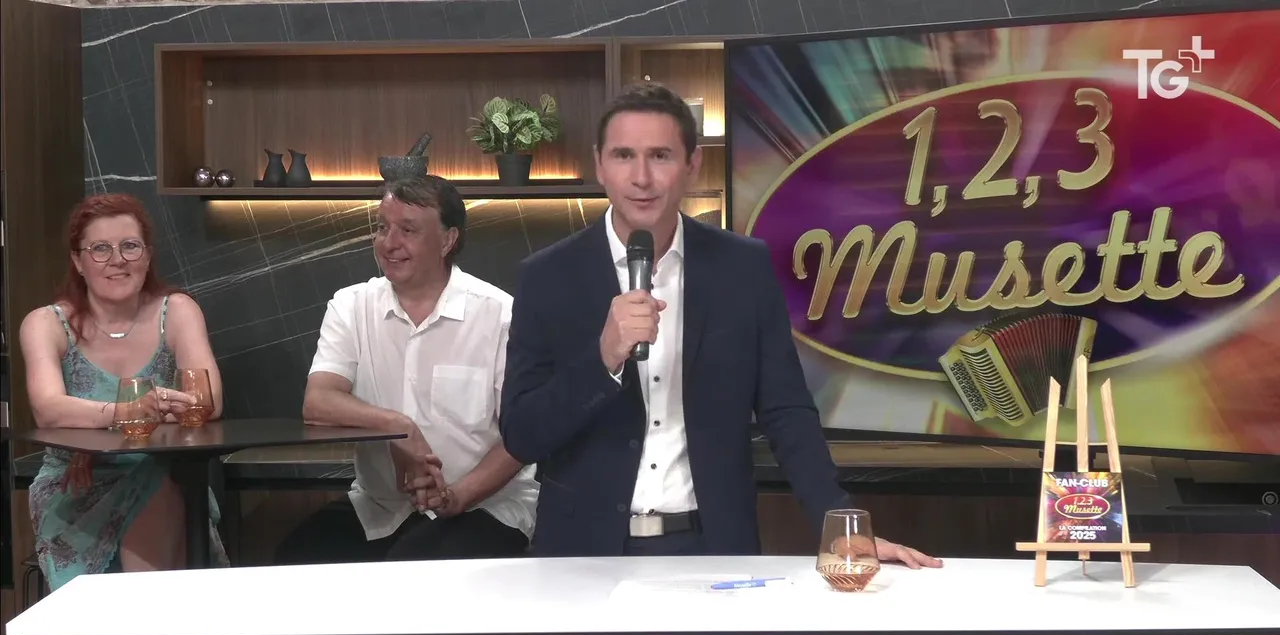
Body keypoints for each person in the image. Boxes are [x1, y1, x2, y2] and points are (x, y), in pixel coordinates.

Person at [500, 83, 942, 566]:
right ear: (600, 164)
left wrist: (841, 526)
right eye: (624, 155)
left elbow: (786, 410)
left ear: (692, 165)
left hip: (711, 547)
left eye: (661, 156)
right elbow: (522, 434)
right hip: (581, 554)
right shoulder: (547, 276)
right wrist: (603, 359)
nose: (641, 177)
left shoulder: (741, 267)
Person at [278, 175, 537, 565]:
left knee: (412, 566)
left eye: (408, 230)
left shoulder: (500, 316)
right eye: (382, 227)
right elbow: (318, 401)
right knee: (295, 558)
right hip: (383, 507)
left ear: (448, 240)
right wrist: (399, 427)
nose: (389, 242)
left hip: (484, 505)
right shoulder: (351, 306)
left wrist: (456, 496)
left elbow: (521, 439)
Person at [19, 192, 228, 590]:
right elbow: (48, 409)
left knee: (157, 485)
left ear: (147, 256)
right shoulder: (45, 324)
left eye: (130, 246)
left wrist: (95, 430)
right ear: (78, 261)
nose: (117, 260)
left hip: (156, 470)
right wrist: (131, 412)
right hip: (74, 485)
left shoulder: (177, 310)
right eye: (100, 249)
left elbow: (206, 400)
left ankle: (146, 620)